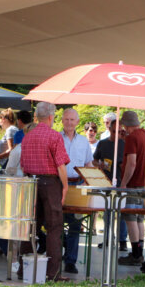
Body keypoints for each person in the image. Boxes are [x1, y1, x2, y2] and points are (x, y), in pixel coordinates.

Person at [19, 102, 70, 282]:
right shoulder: (54, 136)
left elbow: (23, 165)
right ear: (51, 117)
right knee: (54, 227)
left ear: (36, 117)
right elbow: (60, 165)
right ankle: (53, 272)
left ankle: (23, 268)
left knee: (31, 226)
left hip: (31, 182)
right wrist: (65, 186)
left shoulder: (27, 137)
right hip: (50, 183)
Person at [117, 111, 145, 266]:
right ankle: (139, 252)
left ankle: (136, 255)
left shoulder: (132, 138)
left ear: (125, 125)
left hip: (133, 183)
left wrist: (124, 183)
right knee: (139, 218)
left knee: (130, 218)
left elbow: (132, 162)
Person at [60, 108, 94, 274]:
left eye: (72, 120)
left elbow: (88, 164)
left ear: (78, 122)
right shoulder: (56, 138)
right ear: (61, 121)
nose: (69, 123)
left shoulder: (83, 142)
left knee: (75, 224)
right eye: (66, 119)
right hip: (59, 184)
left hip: (78, 184)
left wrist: (92, 182)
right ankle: (59, 251)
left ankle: (71, 261)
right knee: (56, 222)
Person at [93, 119, 128, 251]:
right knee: (107, 212)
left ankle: (122, 240)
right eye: (115, 131)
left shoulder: (125, 144)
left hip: (121, 181)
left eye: (120, 132)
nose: (117, 134)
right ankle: (108, 238)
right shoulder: (102, 144)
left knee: (121, 212)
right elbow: (94, 160)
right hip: (106, 181)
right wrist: (99, 165)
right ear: (110, 130)